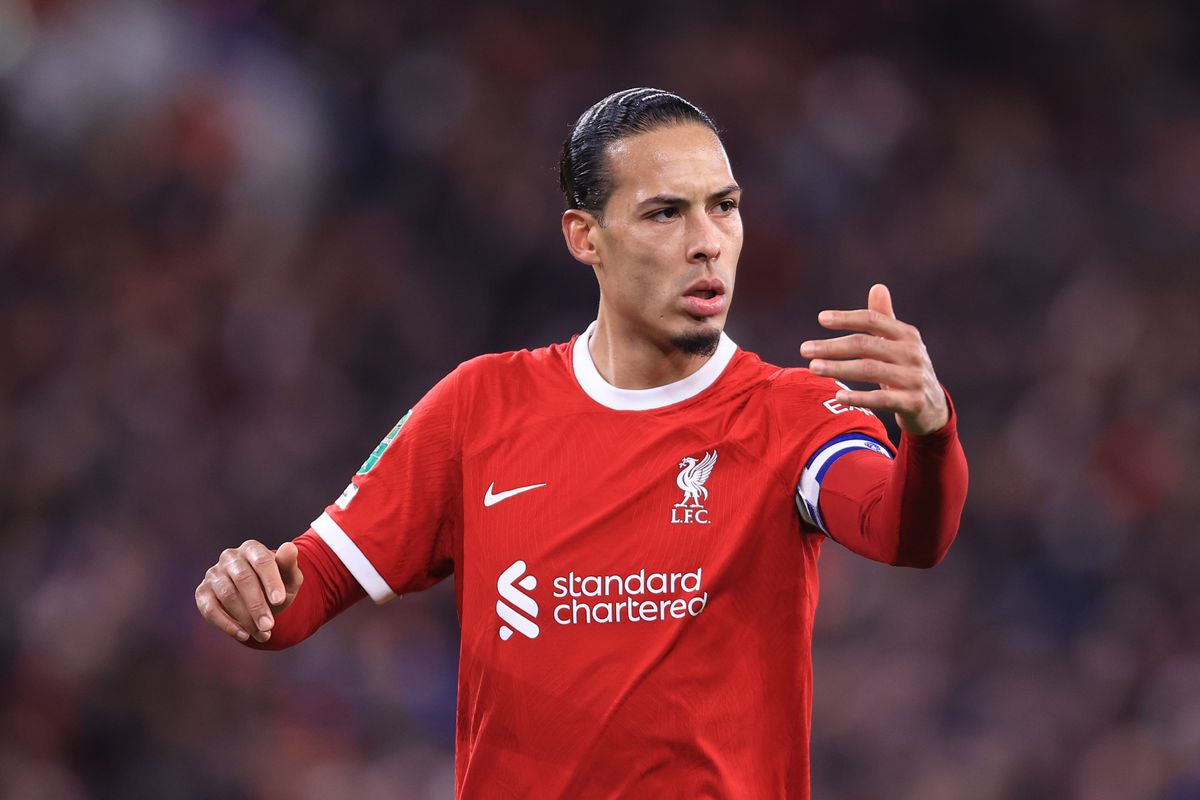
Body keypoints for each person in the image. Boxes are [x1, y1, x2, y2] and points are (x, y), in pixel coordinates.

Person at [195, 87, 969, 798]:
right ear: (584, 237)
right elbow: (314, 585)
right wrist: (253, 594)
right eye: (666, 213)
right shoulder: (481, 407)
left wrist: (930, 433)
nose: (708, 242)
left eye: (724, 207)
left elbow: (903, 530)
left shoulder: (796, 414)